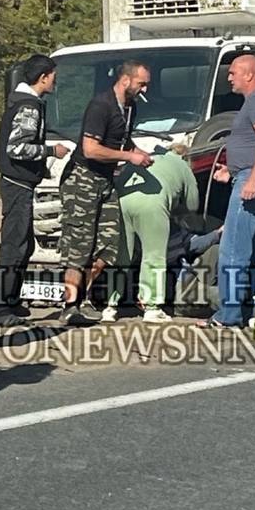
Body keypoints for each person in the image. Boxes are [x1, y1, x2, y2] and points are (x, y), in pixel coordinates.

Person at [58, 60, 153, 326]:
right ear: (126, 80)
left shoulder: (130, 107)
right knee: (79, 244)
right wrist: (128, 157)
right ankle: (69, 305)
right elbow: (90, 149)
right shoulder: (101, 106)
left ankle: (85, 299)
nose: (144, 89)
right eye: (141, 83)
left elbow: (123, 139)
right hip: (83, 178)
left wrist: (139, 153)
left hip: (106, 180)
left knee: (108, 242)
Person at [205, 54, 255, 328]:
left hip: (254, 184)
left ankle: (228, 317)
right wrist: (233, 170)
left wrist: (251, 178)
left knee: (232, 250)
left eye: (233, 73)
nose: (229, 78)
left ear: (250, 74)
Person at [0, 54, 69, 325]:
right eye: (53, 76)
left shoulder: (26, 103)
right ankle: (1, 308)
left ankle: (11, 302)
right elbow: (17, 147)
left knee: (24, 245)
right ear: (43, 77)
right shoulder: (29, 107)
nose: (55, 80)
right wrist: (51, 151)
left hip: (22, 182)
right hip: (17, 184)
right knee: (14, 245)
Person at [110, 142, 199, 323]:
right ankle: (151, 308)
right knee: (154, 256)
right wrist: (175, 208)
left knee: (122, 255)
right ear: (185, 157)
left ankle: (110, 306)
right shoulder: (182, 165)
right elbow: (193, 204)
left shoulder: (148, 156)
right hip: (153, 205)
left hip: (123, 200)